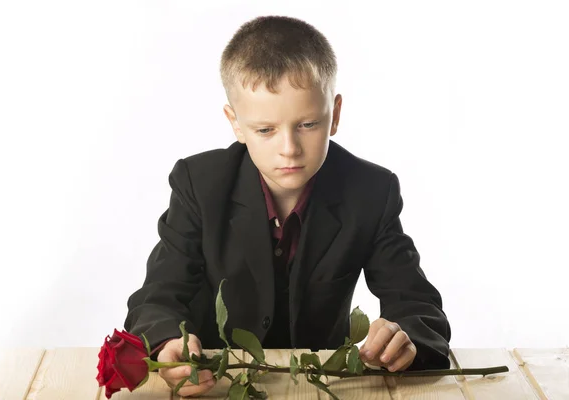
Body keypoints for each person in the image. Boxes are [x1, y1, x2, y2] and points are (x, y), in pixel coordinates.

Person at [124, 15, 451, 397]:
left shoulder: (371, 191)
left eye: (308, 124)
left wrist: (406, 336)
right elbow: (157, 296)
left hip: (326, 388)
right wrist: (168, 344)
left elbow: (417, 302)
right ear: (236, 123)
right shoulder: (199, 184)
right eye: (265, 130)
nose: (289, 148)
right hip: (217, 385)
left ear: (336, 114)